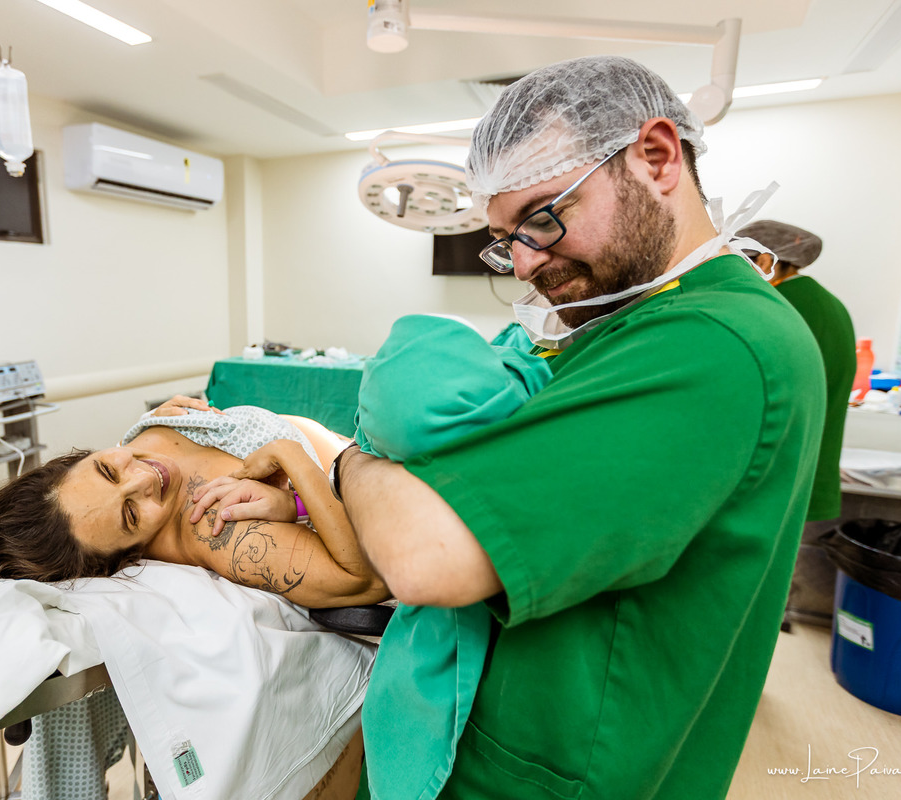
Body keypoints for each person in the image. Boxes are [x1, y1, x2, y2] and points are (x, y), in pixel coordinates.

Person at [206, 56, 826, 798]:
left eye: (543, 216)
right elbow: (489, 489)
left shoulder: (715, 345)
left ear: (656, 157)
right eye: (506, 239)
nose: (527, 263)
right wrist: (313, 503)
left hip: (558, 769)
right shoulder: (613, 331)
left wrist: (340, 464)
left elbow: (428, 552)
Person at [0, 396, 389, 610]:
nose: (145, 477)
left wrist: (144, 427)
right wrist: (295, 464)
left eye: (106, 469)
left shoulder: (142, 437)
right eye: (131, 514)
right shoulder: (218, 525)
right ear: (129, 555)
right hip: (390, 481)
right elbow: (361, 581)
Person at [737, 220, 856, 626]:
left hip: (783, 464)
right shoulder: (829, 304)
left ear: (769, 261)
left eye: (743, 259)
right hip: (810, 459)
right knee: (774, 574)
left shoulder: (784, 306)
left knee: (755, 586)